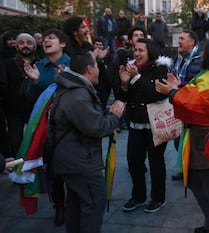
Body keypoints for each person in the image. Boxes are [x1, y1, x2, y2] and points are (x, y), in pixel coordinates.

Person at [155, 37, 209, 233]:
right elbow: (197, 95)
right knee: (195, 182)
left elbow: (196, 101)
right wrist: (179, 87)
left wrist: (173, 92)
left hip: (207, 137)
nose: (200, 56)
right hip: (201, 136)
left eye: (203, 52)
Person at [50, 52, 125, 233]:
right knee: (93, 202)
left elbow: (87, 119)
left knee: (77, 202)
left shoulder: (74, 89)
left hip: (73, 158)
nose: (99, 70)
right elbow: (96, 127)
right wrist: (114, 117)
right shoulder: (77, 95)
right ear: (90, 69)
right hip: (80, 160)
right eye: (98, 67)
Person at [22, 29, 70, 226]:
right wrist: (34, 82)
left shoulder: (71, 64)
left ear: (63, 44)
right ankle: (59, 206)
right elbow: (30, 99)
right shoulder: (38, 66)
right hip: (46, 128)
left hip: (69, 126)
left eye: (52, 38)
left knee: (73, 168)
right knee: (54, 170)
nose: (47, 41)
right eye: (46, 38)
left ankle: (77, 204)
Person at [118, 38, 170, 213]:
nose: (136, 53)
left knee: (156, 163)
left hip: (155, 124)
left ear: (150, 52)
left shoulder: (161, 68)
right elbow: (124, 98)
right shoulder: (131, 68)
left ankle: (158, 197)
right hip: (135, 123)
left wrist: (136, 78)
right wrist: (124, 84)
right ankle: (138, 196)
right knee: (134, 161)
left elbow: (156, 95)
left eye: (141, 50)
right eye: (135, 49)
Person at [170, 30, 202, 181]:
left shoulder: (199, 59)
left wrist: (179, 87)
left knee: (189, 140)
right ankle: (184, 167)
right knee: (179, 140)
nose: (179, 41)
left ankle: (190, 170)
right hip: (179, 104)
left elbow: (196, 84)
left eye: (182, 38)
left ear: (192, 42)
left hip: (192, 106)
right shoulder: (179, 57)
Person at [2, 33, 38, 157]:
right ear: (16, 46)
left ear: (34, 46)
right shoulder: (7, 64)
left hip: (35, 108)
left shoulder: (39, 64)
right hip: (14, 110)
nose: (25, 46)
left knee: (36, 139)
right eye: (21, 43)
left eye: (29, 43)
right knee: (15, 141)